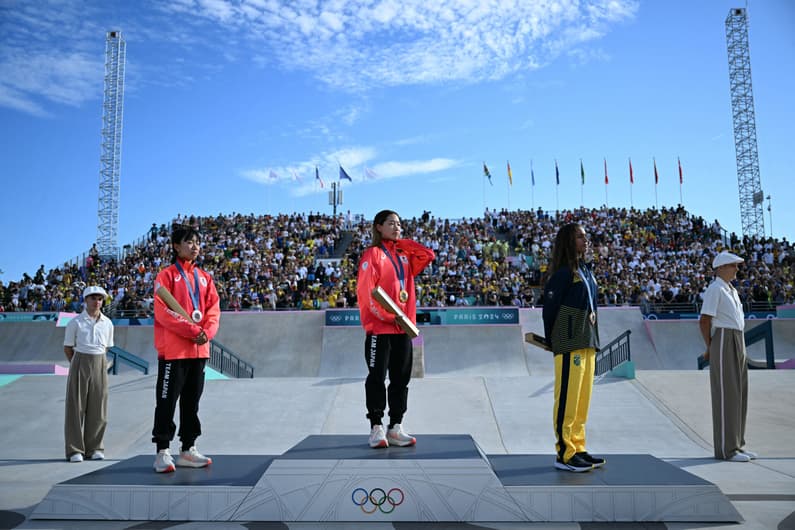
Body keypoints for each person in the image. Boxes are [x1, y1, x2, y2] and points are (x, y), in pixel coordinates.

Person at [356, 209, 435, 448]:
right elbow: (367, 293)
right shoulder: (373, 254)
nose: (397, 227)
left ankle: (396, 426)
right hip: (381, 329)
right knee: (377, 378)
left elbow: (428, 255)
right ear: (378, 227)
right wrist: (389, 317)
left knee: (401, 380)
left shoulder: (403, 255)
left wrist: (400, 241)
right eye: (391, 223)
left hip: (403, 328)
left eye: (399, 224)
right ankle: (376, 427)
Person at [151, 226, 220, 473]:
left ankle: (188, 448)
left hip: (199, 350)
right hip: (174, 351)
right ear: (176, 246)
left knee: (192, 402)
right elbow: (163, 311)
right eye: (189, 242)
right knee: (167, 401)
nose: (195, 246)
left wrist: (207, 333)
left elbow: (213, 309)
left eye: (197, 242)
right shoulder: (167, 276)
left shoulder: (205, 278)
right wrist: (193, 331)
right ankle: (162, 451)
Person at [542, 223, 604, 472]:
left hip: (587, 339)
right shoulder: (563, 273)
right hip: (568, 340)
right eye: (580, 236)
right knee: (567, 398)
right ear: (568, 241)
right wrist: (552, 340)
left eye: (586, 237)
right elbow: (549, 308)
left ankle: (578, 447)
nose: (585, 240)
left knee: (581, 400)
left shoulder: (586, 271)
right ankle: (565, 453)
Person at [699, 250, 757, 462]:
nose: (737, 269)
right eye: (733, 265)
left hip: (737, 339)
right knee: (726, 395)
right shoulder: (715, 289)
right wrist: (710, 347)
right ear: (722, 267)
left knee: (739, 394)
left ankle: (738, 445)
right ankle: (726, 449)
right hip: (723, 340)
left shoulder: (730, 290)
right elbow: (704, 320)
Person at [63, 285, 114, 462]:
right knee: (76, 407)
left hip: (100, 361)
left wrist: (98, 364)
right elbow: (68, 347)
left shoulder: (107, 323)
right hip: (80, 360)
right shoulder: (75, 323)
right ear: (85, 300)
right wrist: (77, 365)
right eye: (93, 298)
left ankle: (95, 448)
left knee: (98, 407)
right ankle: (75, 449)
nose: (97, 301)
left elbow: (107, 346)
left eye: (100, 298)